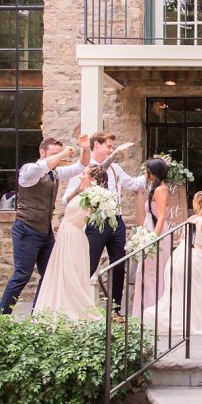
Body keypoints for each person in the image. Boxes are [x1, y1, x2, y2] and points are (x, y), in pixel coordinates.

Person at [0, 134, 90, 314]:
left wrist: (85, 149)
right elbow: (42, 167)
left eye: (60, 154)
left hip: (45, 232)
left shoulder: (55, 173)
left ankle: (38, 314)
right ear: (42, 152)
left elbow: (81, 166)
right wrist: (63, 152)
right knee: (22, 275)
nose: (59, 158)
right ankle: (2, 317)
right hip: (26, 229)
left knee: (49, 274)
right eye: (54, 153)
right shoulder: (29, 170)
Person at [63, 132, 145, 314]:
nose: (111, 149)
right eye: (108, 146)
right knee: (89, 264)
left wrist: (153, 171)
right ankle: (78, 306)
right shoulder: (83, 169)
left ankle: (114, 309)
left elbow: (133, 184)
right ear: (97, 145)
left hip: (117, 220)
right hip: (95, 221)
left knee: (119, 264)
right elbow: (65, 199)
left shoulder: (115, 168)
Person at [146, 190, 202, 335]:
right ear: (200, 204)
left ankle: (192, 321)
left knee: (185, 293)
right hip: (193, 258)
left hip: (178, 257)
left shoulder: (192, 218)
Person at [33, 165, 107, 320]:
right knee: (62, 274)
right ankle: (61, 308)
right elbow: (67, 201)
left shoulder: (92, 197)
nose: (80, 176)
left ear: (92, 179)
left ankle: (76, 311)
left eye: (84, 174)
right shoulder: (84, 193)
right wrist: (79, 189)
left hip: (73, 238)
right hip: (67, 237)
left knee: (70, 275)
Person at [129, 158, 172, 318]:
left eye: (147, 170)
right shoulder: (153, 187)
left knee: (154, 272)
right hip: (149, 230)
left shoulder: (161, 189)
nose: (145, 173)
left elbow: (161, 217)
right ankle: (145, 310)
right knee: (146, 271)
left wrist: (153, 239)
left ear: (153, 172)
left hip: (156, 234)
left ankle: (155, 311)